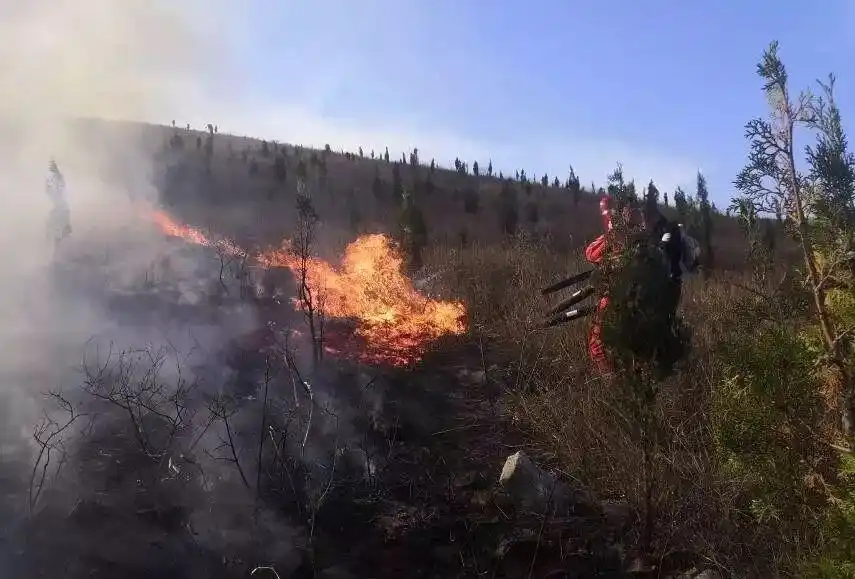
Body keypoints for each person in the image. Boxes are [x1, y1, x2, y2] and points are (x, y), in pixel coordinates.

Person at [583, 195, 698, 373]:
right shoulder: (621, 236)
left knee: (610, 347)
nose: (634, 213)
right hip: (629, 302)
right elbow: (591, 253)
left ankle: (622, 382)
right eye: (629, 209)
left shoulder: (652, 237)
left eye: (636, 209)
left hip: (639, 303)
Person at [45, 158, 71, 249]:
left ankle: (58, 250)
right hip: (60, 210)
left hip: (61, 210)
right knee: (57, 234)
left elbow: (60, 186)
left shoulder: (61, 206)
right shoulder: (57, 208)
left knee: (60, 234)